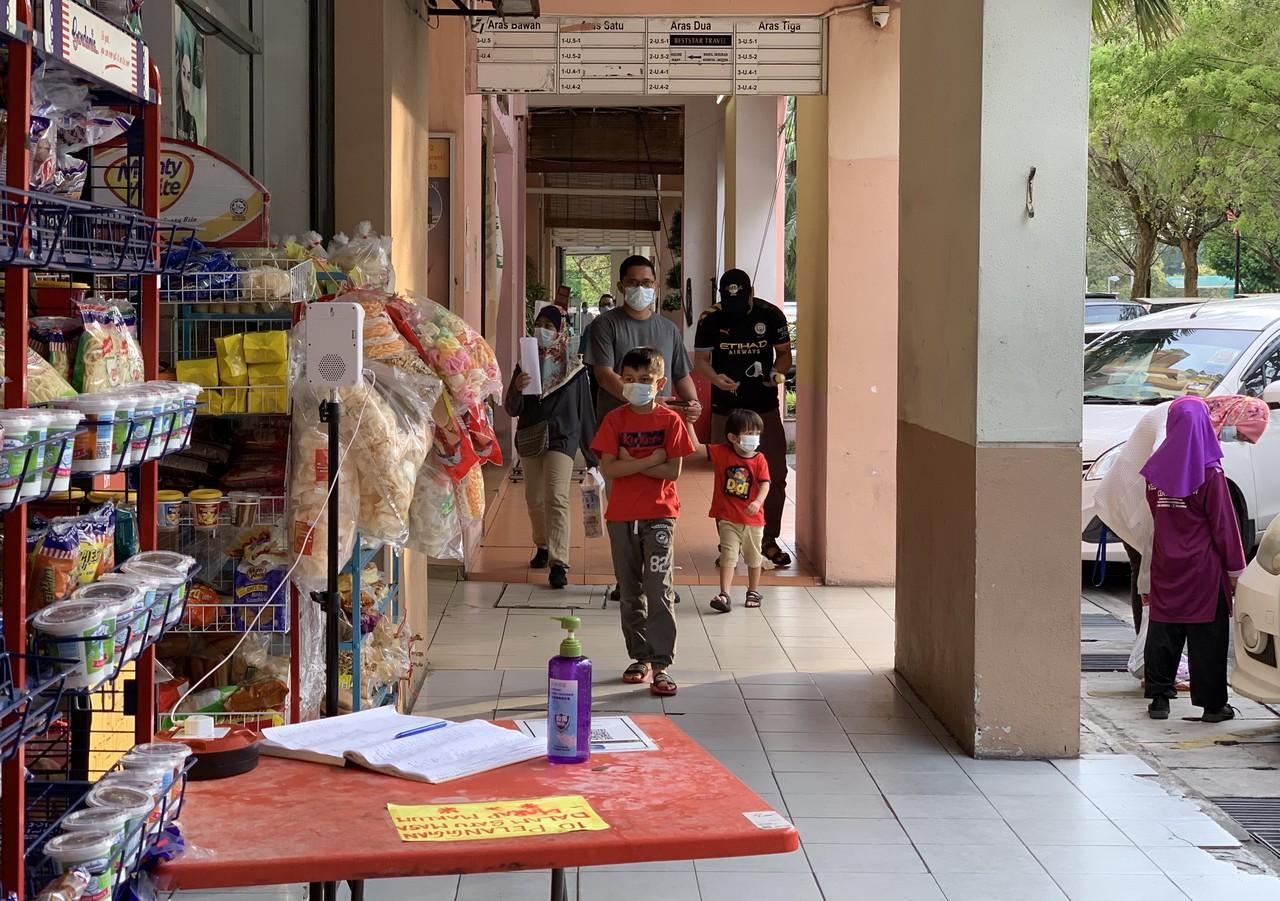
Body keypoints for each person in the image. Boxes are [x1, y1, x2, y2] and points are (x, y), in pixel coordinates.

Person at [590, 347, 696, 697]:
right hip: (621, 516)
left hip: (659, 516)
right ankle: (639, 658)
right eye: (630, 380)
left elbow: (672, 470)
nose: (637, 386)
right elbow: (609, 468)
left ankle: (662, 664)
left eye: (645, 381)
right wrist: (651, 458)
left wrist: (630, 460)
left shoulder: (670, 421)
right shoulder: (615, 421)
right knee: (629, 591)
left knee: (659, 589)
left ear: (660, 383)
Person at [1142, 396, 1247, 723]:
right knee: (1208, 636)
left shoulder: (1154, 471)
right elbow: (1224, 525)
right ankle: (1213, 705)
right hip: (1202, 568)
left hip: (1166, 562)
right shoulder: (1209, 473)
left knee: (1163, 627)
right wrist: (1235, 569)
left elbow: (1155, 514)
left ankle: (1159, 699)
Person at [694, 269, 793, 567]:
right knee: (729, 477)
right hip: (726, 409)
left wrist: (777, 374)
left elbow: (785, 355)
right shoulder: (709, 318)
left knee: (774, 474)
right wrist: (715, 378)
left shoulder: (771, 315)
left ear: (751, 293)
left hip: (764, 407)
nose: (733, 308)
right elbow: (701, 362)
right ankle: (730, 543)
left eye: (740, 301)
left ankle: (768, 540)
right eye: (728, 302)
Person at [503, 306, 597, 590]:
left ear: (561, 331)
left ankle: (559, 563)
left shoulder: (575, 370)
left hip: (562, 438)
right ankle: (542, 546)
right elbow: (511, 408)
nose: (543, 330)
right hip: (531, 435)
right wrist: (518, 387)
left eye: (550, 325)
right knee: (534, 498)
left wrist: (592, 455)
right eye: (539, 324)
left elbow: (585, 412)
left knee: (556, 496)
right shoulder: (526, 365)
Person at [586, 256, 702, 426]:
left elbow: (682, 375)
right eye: (633, 283)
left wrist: (694, 402)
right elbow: (604, 376)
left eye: (647, 283)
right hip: (618, 426)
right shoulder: (605, 324)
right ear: (621, 286)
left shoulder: (669, 329)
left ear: (656, 286)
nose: (640, 288)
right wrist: (647, 403)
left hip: (661, 426)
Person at [707, 409, 771, 613]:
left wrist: (758, 502)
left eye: (756, 433)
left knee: (753, 557)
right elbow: (696, 448)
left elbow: (765, 484)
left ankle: (753, 590)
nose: (754, 438)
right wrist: (690, 422)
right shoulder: (722, 453)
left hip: (753, 520)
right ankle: (724, 593)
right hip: (728, 518)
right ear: (733, 437)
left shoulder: (759, 459)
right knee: (728, 555)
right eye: (749, 433)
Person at [579, 294, 614, 404]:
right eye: (603, 305)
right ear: (599, 308)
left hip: (616, 374)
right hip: (595, 373)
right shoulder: (591, 327)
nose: (606, 307)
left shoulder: (618, 327)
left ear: (614, 305)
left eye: (609, 304)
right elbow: (582, 351)